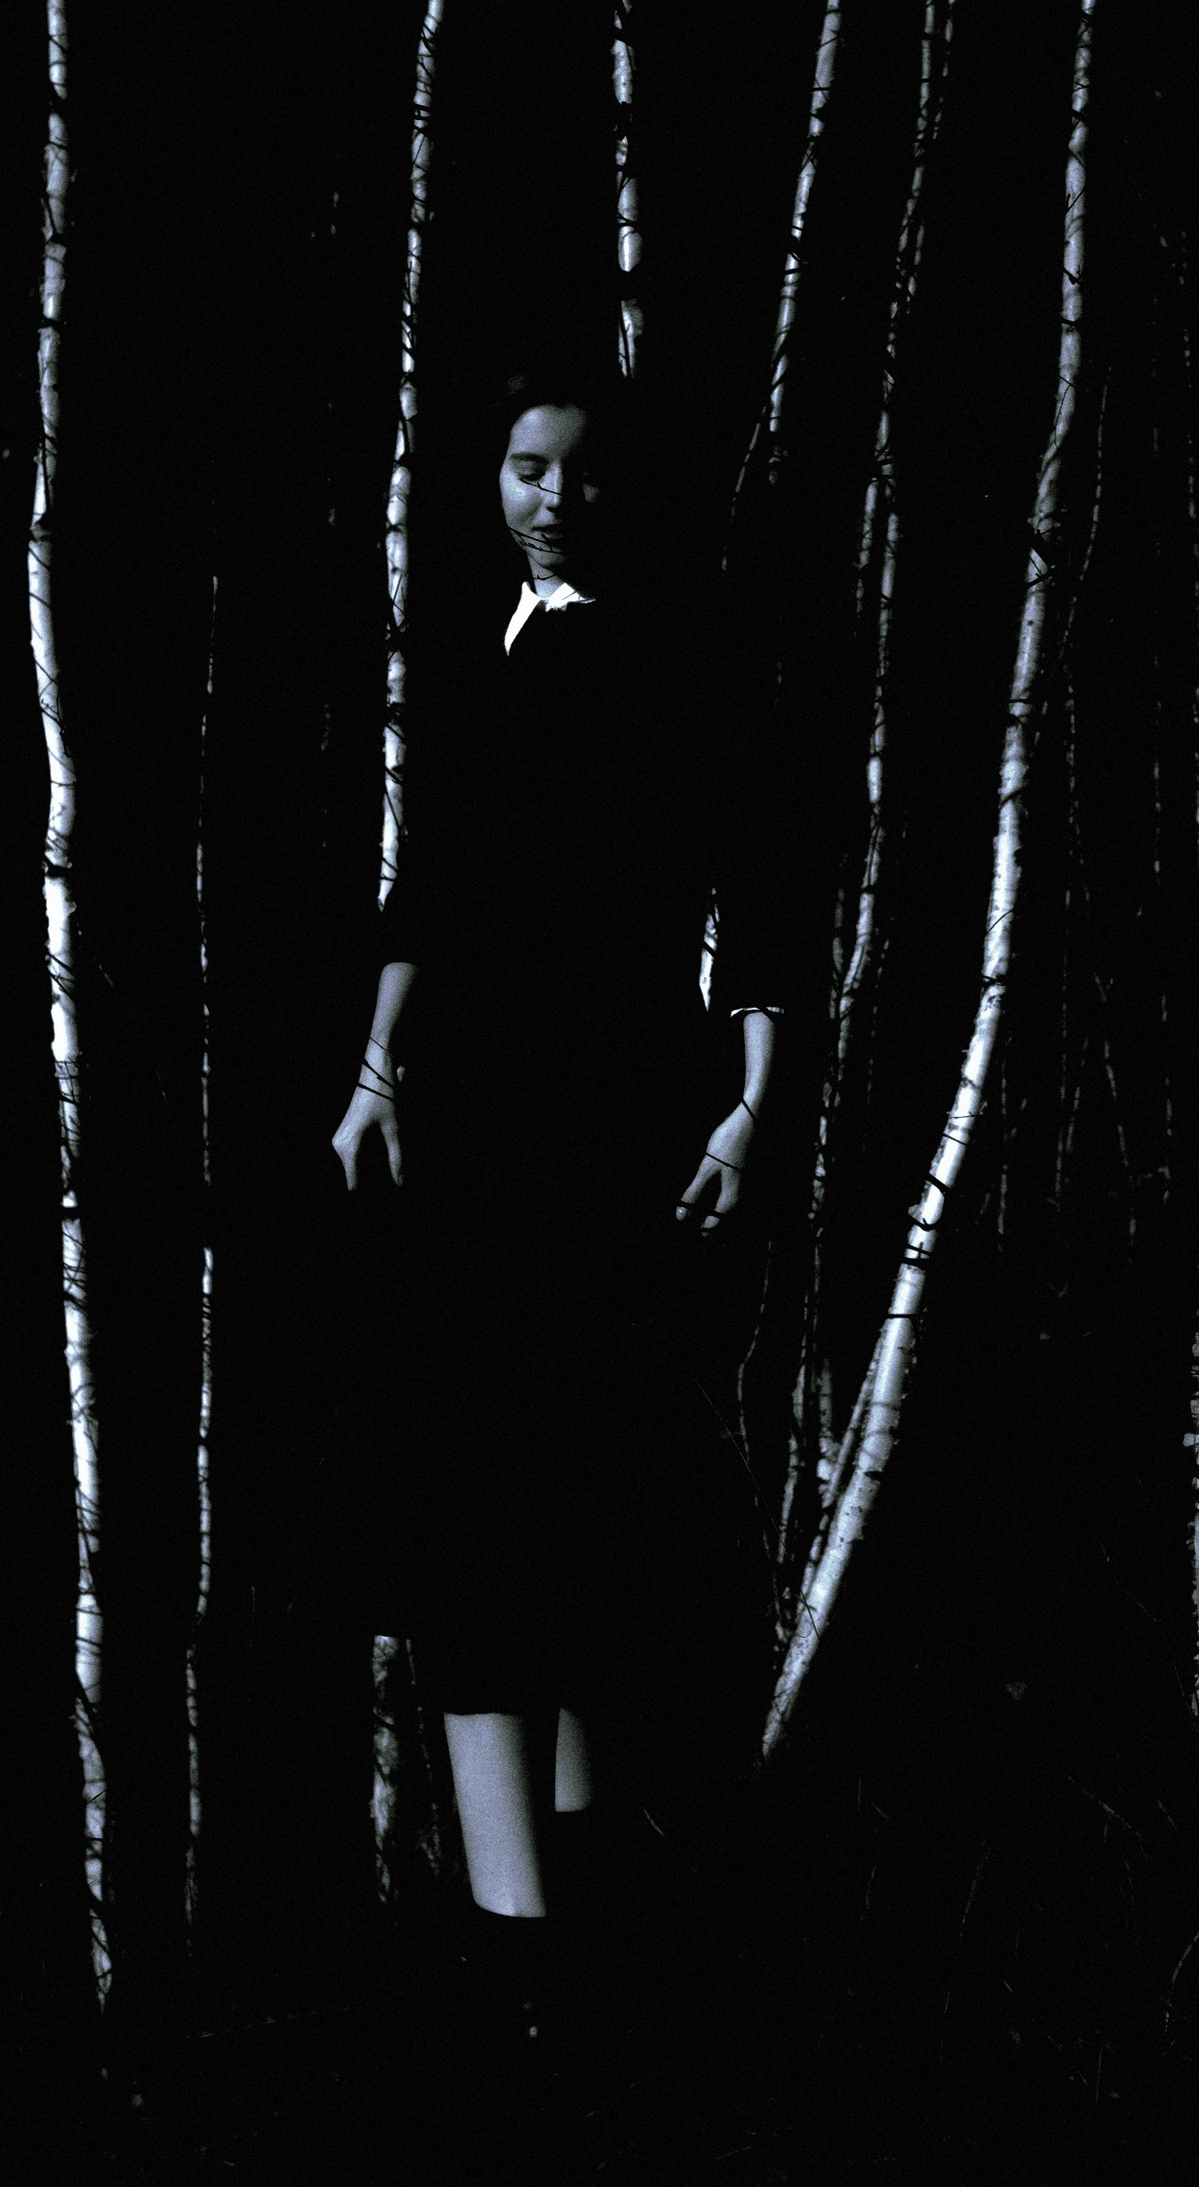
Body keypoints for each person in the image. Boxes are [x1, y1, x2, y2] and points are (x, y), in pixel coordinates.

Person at [332, 355, 791, 2103]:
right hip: (476, 1133)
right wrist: (376, 1072)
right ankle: (536, 1945)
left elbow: (753, 881)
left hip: (599, 1131)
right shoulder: (484, 652)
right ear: (494, 478)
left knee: (555, 1494)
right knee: (499, 1496)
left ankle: (545, 1947)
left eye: (581, 471)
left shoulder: (669, 658)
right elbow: (429, 888)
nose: (552, 496)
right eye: (527, 465)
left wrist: (751, 1105)